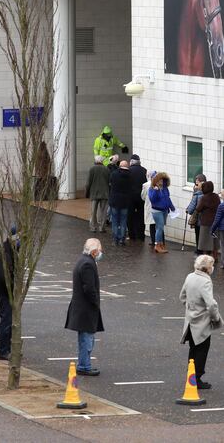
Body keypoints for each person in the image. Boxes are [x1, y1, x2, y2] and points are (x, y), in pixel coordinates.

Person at [180, 254, 223, 390]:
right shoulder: (205, 281)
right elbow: (210, 304)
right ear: (208, 268)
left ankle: (191, 375)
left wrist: (190, 307)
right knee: (202, 349)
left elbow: (182, 297)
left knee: (193, 349)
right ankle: (197, 378)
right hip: (202, 321)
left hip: (190, 320)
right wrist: (215, 318)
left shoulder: (190, 276)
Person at [65, 238, 105, 376]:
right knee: (87, 340)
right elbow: (89, 288)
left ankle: (84, 364)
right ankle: (84, 366)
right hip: (86, 309)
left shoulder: (83, 260)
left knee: (85, 338)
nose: (101, 252)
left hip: (82, 308)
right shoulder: (88, 264)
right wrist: (95, 302)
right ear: (94, 251)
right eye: (99, 250)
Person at [0, 226, 17, 360]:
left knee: (9, 319)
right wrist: (13, 289)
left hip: (5, 290)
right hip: (3, 290)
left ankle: (7, 348)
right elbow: (3, 276)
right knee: (7, 320)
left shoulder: (11, 249)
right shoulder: (5, 251)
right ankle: (3, 350)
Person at [148, 172, 176, 254]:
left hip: (164, 210)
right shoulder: (152, 189)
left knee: (160, 228)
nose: (161, 181)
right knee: (159, 228)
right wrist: (156, 191)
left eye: (163, 180)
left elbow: (167, 198)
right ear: (156, 180)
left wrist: (172, 207)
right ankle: (157, 245)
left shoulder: (165, 188)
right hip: (157, 211)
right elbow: (152, 199)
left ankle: (160, 244)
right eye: (160, 180)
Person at [108, 160, 134, 246]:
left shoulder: (114, 174)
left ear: (120, 166)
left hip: (115, 201)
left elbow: (110, 183)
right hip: (125, 202)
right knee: (123, 221)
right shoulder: (131, 176)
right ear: (127, 166)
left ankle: (115, 239)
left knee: (115, 221)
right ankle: (122, 239)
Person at [195, 181, 220, 259]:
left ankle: (205, 258)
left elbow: (198, 208)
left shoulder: (204, 198)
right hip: (215, 222)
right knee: (214, 240)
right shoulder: (216, 196)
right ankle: (215, 257)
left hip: (205, 222)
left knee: (204, 241)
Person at [86, 155, 110, 233]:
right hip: (105, 193)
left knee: (93, 211)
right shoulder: (106, 169)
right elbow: (109, 181)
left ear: (95, 161)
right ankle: (102, 227)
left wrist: (87, 192)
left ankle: (93, 227)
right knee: (103, 211)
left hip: (94, 193)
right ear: (102, 161)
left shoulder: (92, 169)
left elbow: (88, 183)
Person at [128, 155, 148, 242]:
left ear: (132, 162)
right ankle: (141, 235)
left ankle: (132, 235)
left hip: (131, 197)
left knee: (130, 216)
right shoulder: (144, 170)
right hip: (141, 197)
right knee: (141, 215)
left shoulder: (129, 170)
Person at [186, 174, 207, 255]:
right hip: (206, 218)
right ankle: (203, 249)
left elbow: (193, 205)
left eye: (197, 182)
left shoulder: (198, 194)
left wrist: (188, 210)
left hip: (199, 217)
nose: (196, 183)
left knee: (198, 233)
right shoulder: (207, 193)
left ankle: (199, 249)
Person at [142, 170, 157, 247]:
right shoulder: (160, 184)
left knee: (152, 224)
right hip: (159, 208)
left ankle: (153, 240)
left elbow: (143, 196)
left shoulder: (146, 185)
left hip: (150, 206)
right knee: (158, 225)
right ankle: (160, 241)